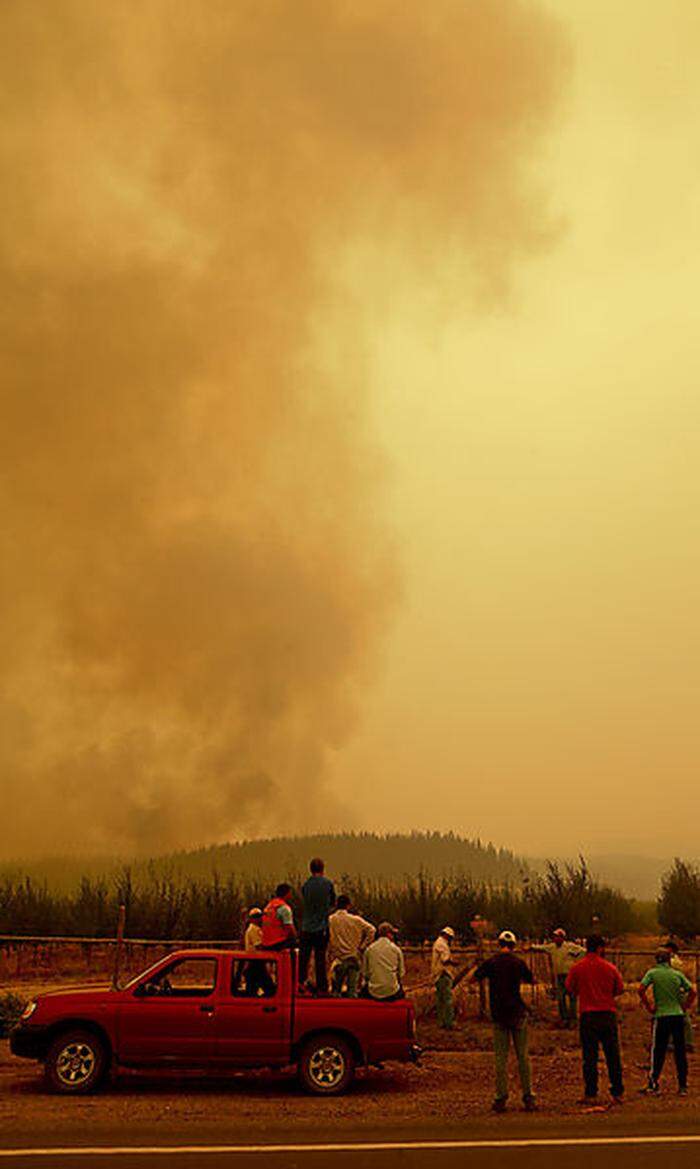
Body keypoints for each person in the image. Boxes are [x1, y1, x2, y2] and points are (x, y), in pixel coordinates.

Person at [467, 930, 537, 1113]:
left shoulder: (491, 962)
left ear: (499, 944)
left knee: (500, 1058)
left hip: (498, 1013)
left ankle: (500, 1097)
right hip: (517, 1012)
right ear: (513, 946)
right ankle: (528, 1097)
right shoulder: (518, 962)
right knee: (523, 1056)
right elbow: (532, 980)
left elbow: (473, 978)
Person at [565, 935, 624, 1105]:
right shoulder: (610, 968)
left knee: (589, 1056)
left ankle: (591, 1093)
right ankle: (617, 1091)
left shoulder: (577, 968)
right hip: (607, 1013)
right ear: (600, 948)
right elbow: (619, 989)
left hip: (588, 1015)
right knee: (612, 1055)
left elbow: (570, 987)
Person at [639, 948, 696, 1096]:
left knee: (658, 1050)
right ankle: (682, 1085)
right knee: (680, 1052)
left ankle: (654, 1083)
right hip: (677, 1015)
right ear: (669, 960)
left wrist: (649, 1006)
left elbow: (641, 989)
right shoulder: (676, 974)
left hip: (662, 1015)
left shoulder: (652, 973)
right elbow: (692, 991)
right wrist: (685, 1006)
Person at [531, 928, 584, 1026]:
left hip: (570, 975)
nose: (556, 939)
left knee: (572, 996)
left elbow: (583, 952)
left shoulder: (570, 946)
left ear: (562, 938)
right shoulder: (552, 947)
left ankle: (572, 1018)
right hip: (560, 976)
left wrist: (577, 961)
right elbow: (541, 947)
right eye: (555, 937)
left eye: (558, 937)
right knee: (561, 997)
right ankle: (564, 1017)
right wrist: (530, 947)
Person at [299, 858, 336, 994]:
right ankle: (322, 987)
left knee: (304, 958)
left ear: (311, 869)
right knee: (320, 959)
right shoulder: (328, 884)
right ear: (323, 869)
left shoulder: (306, 885)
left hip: (306, 927)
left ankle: (300, 983)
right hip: (321, 928)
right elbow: (333, 902)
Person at [328, 894, 376, 997]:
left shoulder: (330, 920)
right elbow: (372, 930)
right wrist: (363, 946)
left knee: (336, 991)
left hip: (338, 959)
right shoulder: (356, 920)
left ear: (336, 904)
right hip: (353, 958)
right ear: (348, 905)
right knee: (352, 991)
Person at [663, 940, 695, 1053]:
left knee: (682, 1016)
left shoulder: (673, 961)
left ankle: (686, 1042)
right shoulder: (674, 961)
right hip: (676, 991)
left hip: (676, 991)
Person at [361, 922, 405, 1001]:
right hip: (392, 992)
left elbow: (365, 973)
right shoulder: (396, 949)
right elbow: (401, 974)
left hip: (373, 991)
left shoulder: (369, 949)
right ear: (388, 934)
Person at [431, 926, 457, 1029]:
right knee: (447, 999)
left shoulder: (438, 943)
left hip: (438, 973)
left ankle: (441, 1021)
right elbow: (445, 960)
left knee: (440, 999)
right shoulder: (442, 944)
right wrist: (454, 963)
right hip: (443, 973)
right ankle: (449, 1022)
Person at [261, 883, 297, 950]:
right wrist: (296, 937)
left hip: (265, 943)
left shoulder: (269, 906)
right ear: (287, 893)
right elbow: (289, 928)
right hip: (278, 943)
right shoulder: (284, 908)